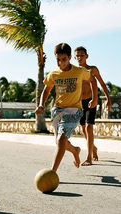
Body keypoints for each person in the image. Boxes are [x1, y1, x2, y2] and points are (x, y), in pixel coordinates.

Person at [35, 43, 98, 172]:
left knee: (61, 139)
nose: (61, 63)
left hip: (74, 110)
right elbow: (46, 91)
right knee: (60, 142)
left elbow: (93, 80)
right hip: (57, 111)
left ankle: (52, 172)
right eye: (58, 60)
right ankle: (75, 150)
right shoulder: (54, 74)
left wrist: (95, 98)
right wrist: (41, 104)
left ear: (70, 57)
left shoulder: (79, 71)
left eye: (63, 59)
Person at [74, 46, 112, 166]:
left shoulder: (92, 69)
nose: (80, 57)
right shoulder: (74, 71)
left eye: (82, 55)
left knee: (89, 127)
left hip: (92, 100)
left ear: (86, 56)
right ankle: (93, 148)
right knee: (84, 129)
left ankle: (89, 157)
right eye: (78, 56)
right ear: (75, 57)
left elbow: (102, 84)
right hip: (80, 102)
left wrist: (108, 100)